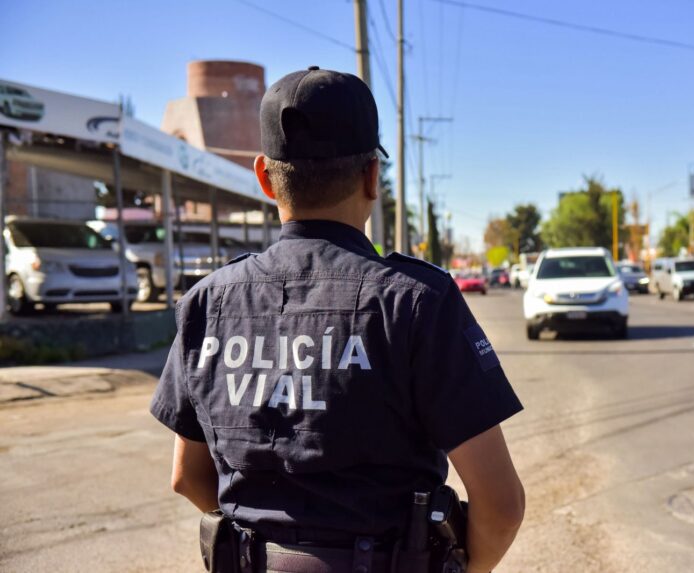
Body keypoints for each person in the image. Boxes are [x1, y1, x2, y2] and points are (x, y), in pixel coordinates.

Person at [150, 66, 525, 573]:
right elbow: (500, 505)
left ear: (264, 177)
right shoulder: (416, 300)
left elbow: (187, 477)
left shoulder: (206, 303)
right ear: (372, 176)